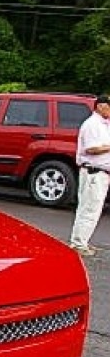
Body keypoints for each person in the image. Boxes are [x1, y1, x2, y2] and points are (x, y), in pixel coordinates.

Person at [69, 93, 110, 256]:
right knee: (89, 209)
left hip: (101, 173)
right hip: (94, 172)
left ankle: (81, 240)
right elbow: (91, 148)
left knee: (91, 208)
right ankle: (78, 243)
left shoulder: (103, 125)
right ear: (101, 106)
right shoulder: (92, 124)